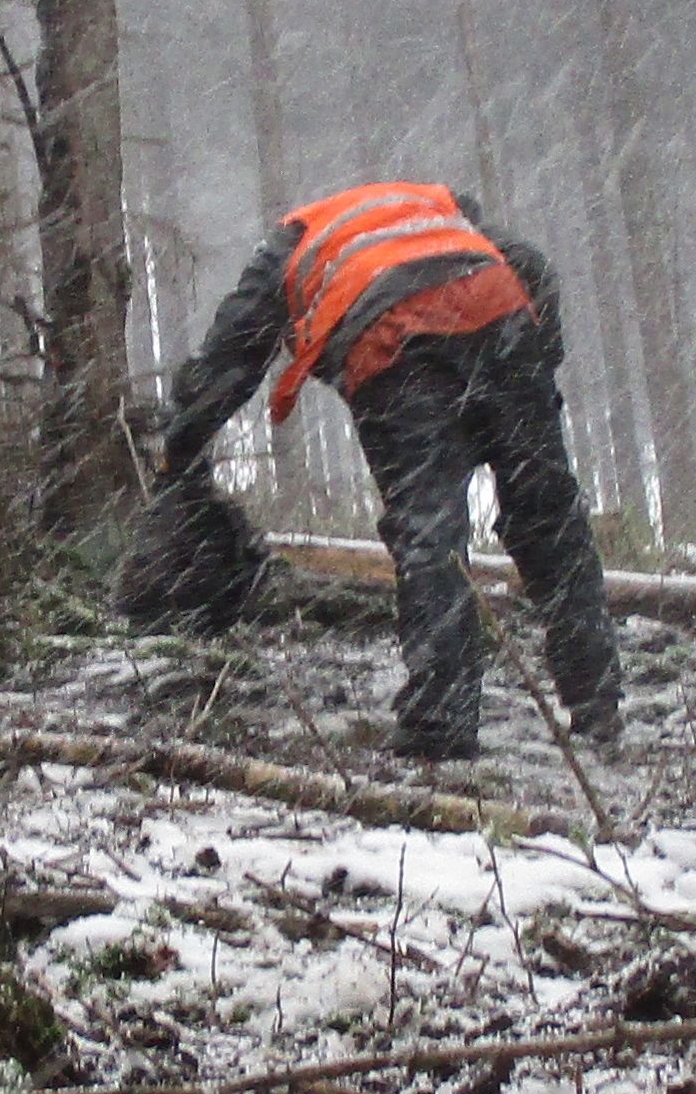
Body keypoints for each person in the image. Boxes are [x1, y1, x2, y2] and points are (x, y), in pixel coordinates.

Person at [154, 183, 623, 758]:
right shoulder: (436, 208)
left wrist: (179, 448)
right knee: (548, 512)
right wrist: (535, 366)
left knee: (431, 532)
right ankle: (597, 701)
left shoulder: (291, 244)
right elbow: (530, 265)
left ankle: (442, 723)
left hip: (395, 344)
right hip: (499, 318)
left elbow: (230, 357)